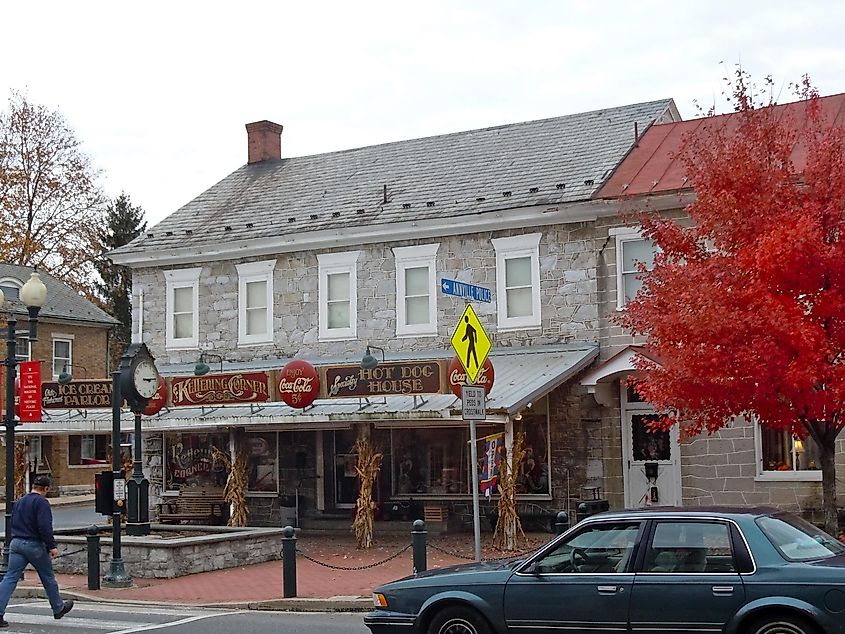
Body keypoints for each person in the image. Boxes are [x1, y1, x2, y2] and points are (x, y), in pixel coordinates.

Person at [0, 475, 73, 627]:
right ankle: (58, 608)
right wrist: (51, 546)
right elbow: (44, 526)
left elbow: (12, 521)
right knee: (47, 577)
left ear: (33, 486)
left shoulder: (20, 501)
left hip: (16, 543)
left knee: (10, 578)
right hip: (34, 545)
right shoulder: (42, 502)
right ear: (46, 489)